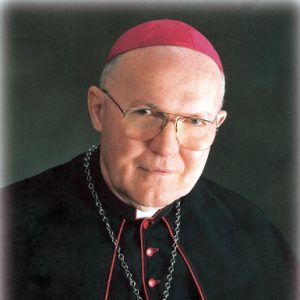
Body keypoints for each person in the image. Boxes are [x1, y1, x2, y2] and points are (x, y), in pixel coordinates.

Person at [2, 19, 296, 300]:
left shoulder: (254, 237)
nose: (166, 147)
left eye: (195, 121)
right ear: (98, 109)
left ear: (217, 124)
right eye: (144, 113)